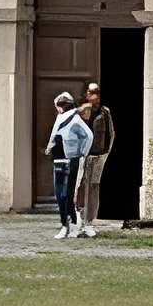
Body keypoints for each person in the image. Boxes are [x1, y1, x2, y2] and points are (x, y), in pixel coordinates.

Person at [45, 90, 93, 239]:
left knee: (67, 195)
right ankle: (65, 225)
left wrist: (82, 153)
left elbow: (88, 136)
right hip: (58, 160)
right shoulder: (60, 119)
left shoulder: (75, 120)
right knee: (60, 195)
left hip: (71, 160)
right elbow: (54, 137)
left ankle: (70, 225)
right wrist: (49, 149)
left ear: (61, 106)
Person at [75, 80, 116, 236]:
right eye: (92, 92)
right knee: (79, 186)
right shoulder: (79, 111)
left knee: (93, 187)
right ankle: (79, 219)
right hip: (81, 155)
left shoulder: (105, 112)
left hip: (98, 155)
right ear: (86, 93)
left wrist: (106, 153)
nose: (95, 95)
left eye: (97, 91)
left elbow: (111, 133)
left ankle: (90, 222)